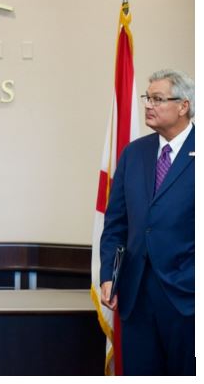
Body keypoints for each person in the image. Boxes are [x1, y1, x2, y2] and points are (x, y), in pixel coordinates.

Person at [100, 69, 195, 375]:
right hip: (135, 294)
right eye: (147, 98)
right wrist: (108, 275)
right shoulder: (134, 154)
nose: (148, 106)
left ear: (183, 106)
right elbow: (116, 224)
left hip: (188, 298)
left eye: (158, 99)